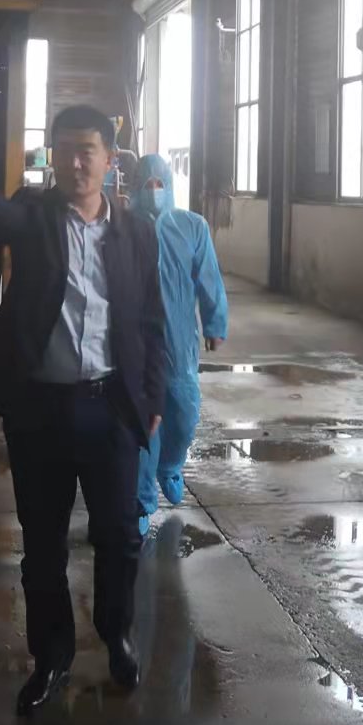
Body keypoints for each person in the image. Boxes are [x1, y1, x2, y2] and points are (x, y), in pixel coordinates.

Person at [0, 104, 168, 716]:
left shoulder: (137, 232)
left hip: (110, 407)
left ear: (110, 159)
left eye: (86, 150)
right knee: (42, 545)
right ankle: (51, 657)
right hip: (39, 410)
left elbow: (152, 320)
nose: (75, 163)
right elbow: (2, 213)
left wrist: (152, 396)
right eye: (64, 150)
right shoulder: (36, 215)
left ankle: (117, 634)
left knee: (120, 535)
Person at [130, 153, 229, 535]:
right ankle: (142, 502)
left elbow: (209, 277)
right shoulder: (122, 227)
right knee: (145, 425)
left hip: (179, 340)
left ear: (170, 186)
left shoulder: (192, 227)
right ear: (135, 188)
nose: (154, 191)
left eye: (160, 184)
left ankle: (170, 466)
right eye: (147, 185)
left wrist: (215, 322)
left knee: (185, 416)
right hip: (139, 344)